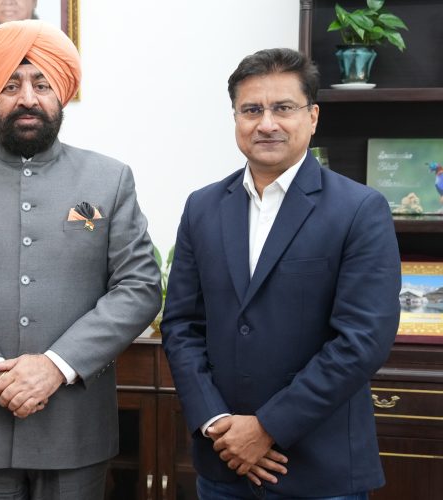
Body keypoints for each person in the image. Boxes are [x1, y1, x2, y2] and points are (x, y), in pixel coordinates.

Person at [0, 20, 161, 500]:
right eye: (10, 85)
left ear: (61, 93)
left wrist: (56, 366)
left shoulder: (110, 178)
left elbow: (140, 286)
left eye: (41, 84)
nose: (27, 98)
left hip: (75, 426)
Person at [161, 47, 401, 499]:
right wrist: (216, 422)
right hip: (222, 463)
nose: (266, 123)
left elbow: (362, 341)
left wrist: (267, 427)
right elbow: (181, 325)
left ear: (312, 117)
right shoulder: (202, 207)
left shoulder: (359, 209)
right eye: (252, 110)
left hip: (319, 469)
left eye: (283, 108)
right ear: (236, 118)